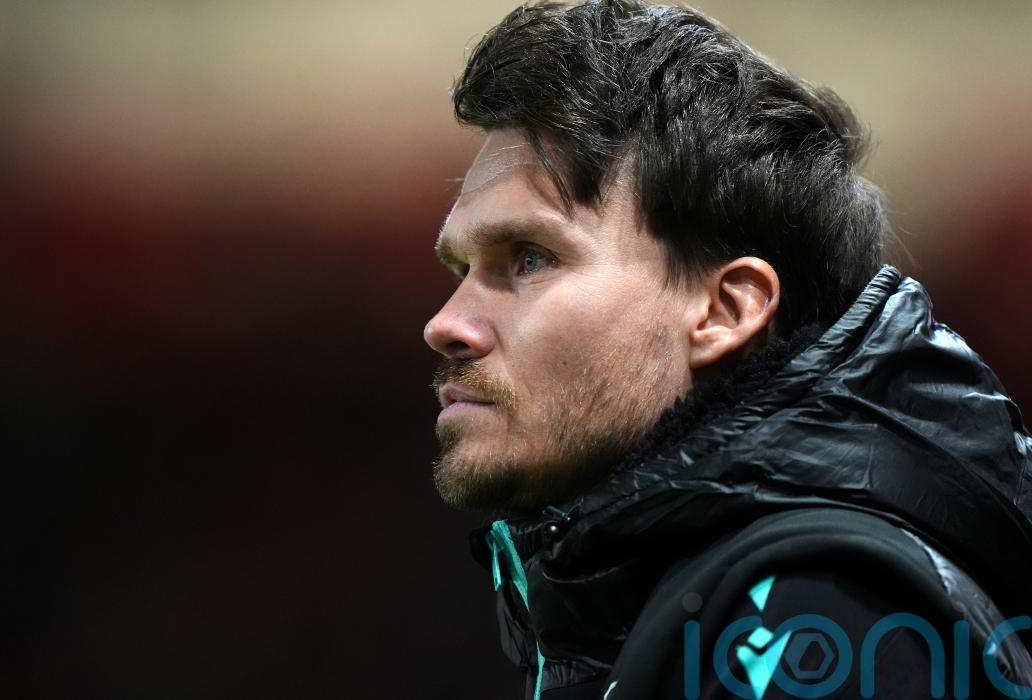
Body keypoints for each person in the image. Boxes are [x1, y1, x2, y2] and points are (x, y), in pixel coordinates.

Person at [422, 2, 1032, 698]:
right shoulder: (669, 602)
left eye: (529, 259)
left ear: (725, 311)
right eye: (460, 270)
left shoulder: (822, 613)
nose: (446, 324)